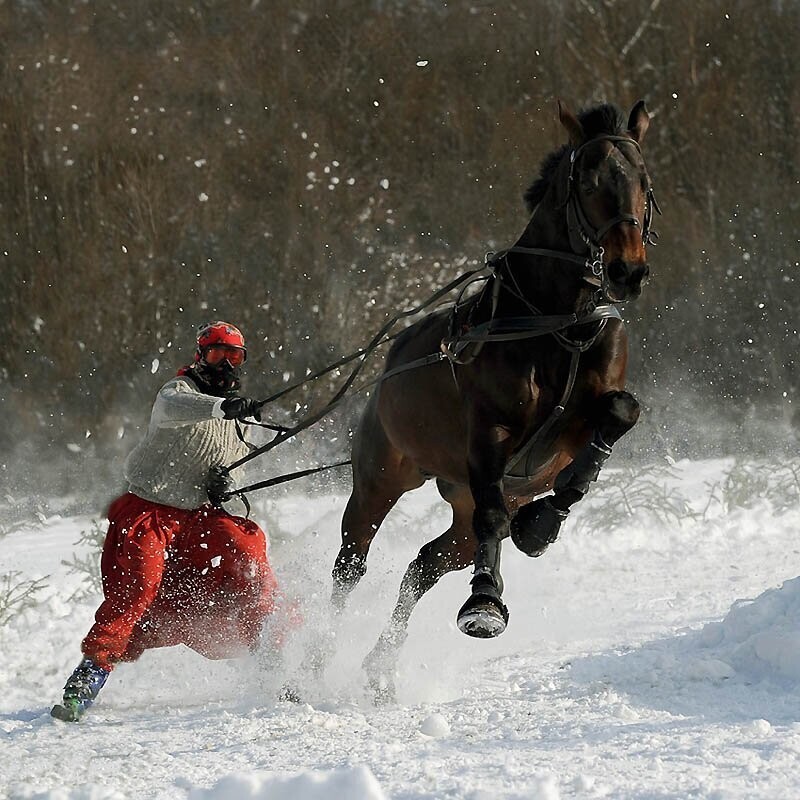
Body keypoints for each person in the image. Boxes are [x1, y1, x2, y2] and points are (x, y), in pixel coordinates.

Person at [52, 321, 282, 722]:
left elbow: (235, 467)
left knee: (248, 553)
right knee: (139, 584)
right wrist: (222, 407)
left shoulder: (238, 417)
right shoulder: (178, 392)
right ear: (200, 355)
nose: (225, 365)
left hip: (200, 517)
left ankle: (271, 660)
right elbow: (177, 410)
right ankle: (90, 674)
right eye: (216, 354)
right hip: (151, 511)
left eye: (235, 357)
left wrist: (226, 481)